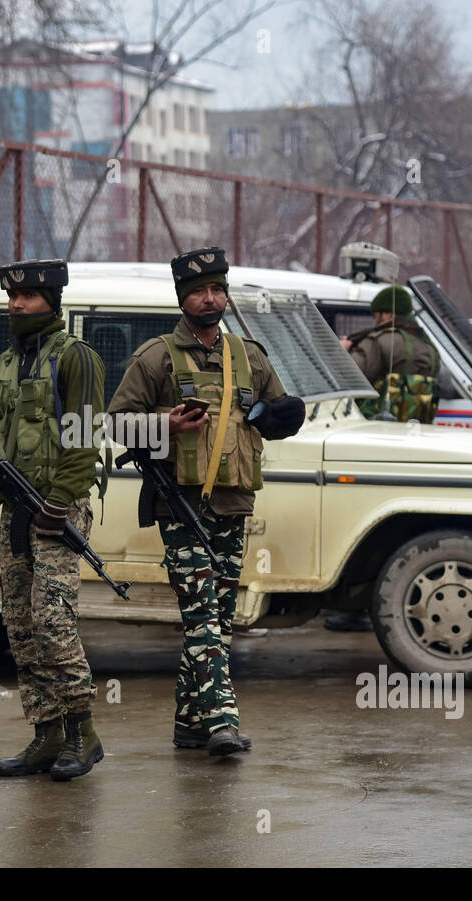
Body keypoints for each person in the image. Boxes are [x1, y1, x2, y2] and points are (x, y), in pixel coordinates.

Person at [107, 247, 303, 756]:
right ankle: (222, 721)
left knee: (217, 612)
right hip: (182, 506)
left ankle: (189, 723)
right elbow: (112, 424)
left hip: (234, 505)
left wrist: (280, 415)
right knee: (202, 617)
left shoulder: (248, 356)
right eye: (199, 291)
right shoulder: (155, 358)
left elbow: (275, 414)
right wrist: (164, 424)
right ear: (182, 298)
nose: (210, 299)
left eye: (217, 289)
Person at [0, 259, 108, 781]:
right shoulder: (6, 363)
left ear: (51, 299)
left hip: (57, 510)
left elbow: (85, 439)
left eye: (25, 297)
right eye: (11, 298)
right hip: (15, 512)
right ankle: (45, 734)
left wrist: (60, 501)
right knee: (20, 626)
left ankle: (83, 733)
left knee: (52, 623)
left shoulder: (77, 359)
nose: (15, 306)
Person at [341, 284, 439, 423]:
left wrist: (342, 352)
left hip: (377, 428)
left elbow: (350, 378)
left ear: (387, 314)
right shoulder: (429, 347)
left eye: (376, 316)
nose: (375, 321)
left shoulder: (378, 341)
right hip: (416, 431)